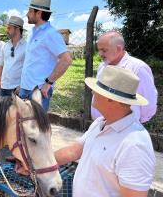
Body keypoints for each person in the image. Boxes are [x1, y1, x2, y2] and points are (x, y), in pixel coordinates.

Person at [54, 65, 156, 197]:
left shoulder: (135, 144)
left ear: (110, 98)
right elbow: (73, 151)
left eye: (97, 89)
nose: (92, 92)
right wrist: (34, 163)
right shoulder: (100, 123)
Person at [20, 0, 72, 111]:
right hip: (26, 88)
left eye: (30, 11)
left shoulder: (50, 34)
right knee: (23, 126)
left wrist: (49, 83)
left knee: (36, 128)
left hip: (38, 91)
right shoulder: (33, 33)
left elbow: (66, 59)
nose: (27, 14)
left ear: (38, 13)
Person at [92, 30, 158, 123]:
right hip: (101, 126)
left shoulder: (138, 68)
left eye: (104, 50)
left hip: (124, 130)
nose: (100, 54)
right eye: (99, 50)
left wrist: (134, 123)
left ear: (118, 49)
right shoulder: (102, 67)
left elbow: (148, 103)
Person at [0, 16, 26, 96]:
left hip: (17, 89)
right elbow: (0, 65)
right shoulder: (5, 46)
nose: (7, 30)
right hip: (3, 87)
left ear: (17, 29)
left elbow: (30, 69)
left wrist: (22, 85)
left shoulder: (27, 47)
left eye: (9, 28)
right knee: (3, 109)